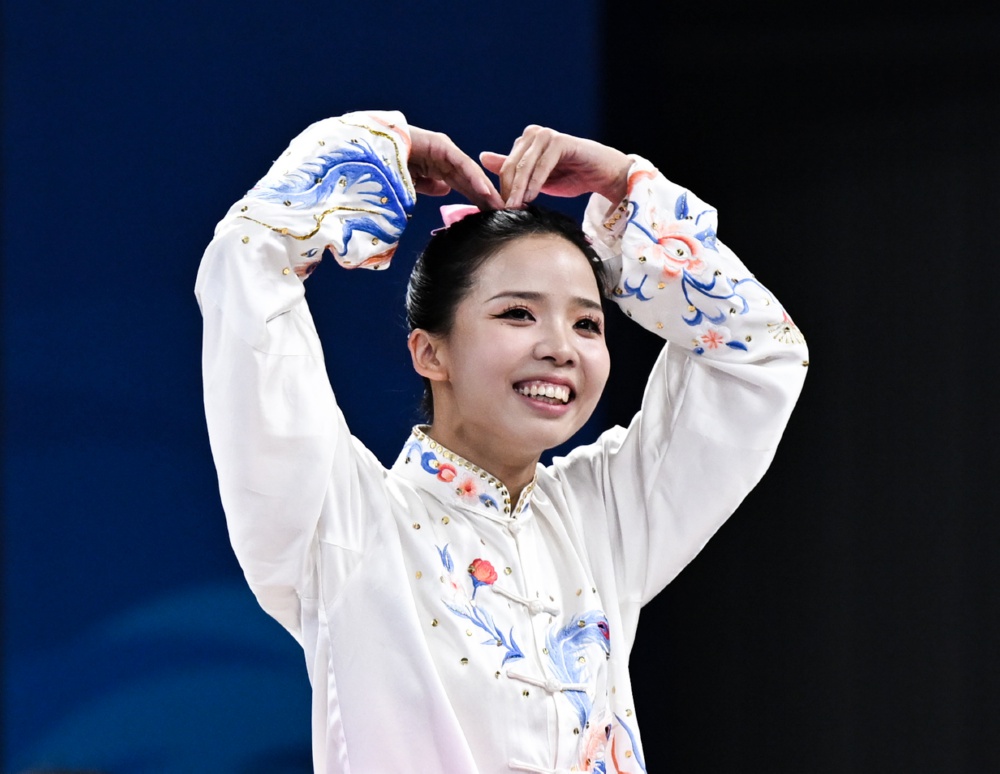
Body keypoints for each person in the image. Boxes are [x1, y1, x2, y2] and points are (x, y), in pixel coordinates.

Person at [195, 110, 808, 773]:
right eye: (518, 313)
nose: (560, 348)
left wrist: (627, 189)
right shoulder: (338, 520)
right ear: (430, 352)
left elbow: (759, 359)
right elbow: (245, 267)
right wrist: (372, 151)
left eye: (587, 324)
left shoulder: (601, 519)